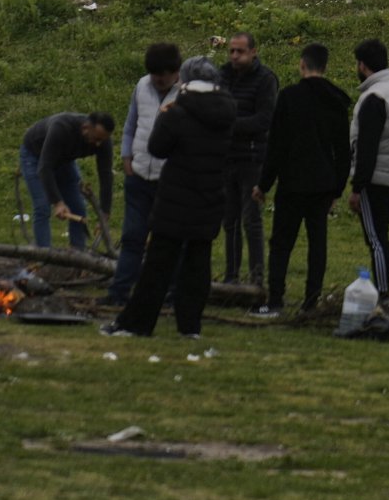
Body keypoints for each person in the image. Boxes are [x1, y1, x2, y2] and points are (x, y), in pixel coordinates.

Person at [104, 57, 236, 338]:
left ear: (185, 79)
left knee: (158, 264)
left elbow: (157, 148)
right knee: (198, 263)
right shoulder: (226, 112)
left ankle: (137, 323)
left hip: (176, 197)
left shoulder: (177, 112)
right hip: (210, 196)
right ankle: (190, 326)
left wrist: (163, 117)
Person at [250, 43, 350, 318]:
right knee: (317, 243)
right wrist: (338, 188)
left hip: (292, 182)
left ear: (302, 64)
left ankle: (276, 300)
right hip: (323, 184)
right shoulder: (337, 99)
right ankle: (311, 300)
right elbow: (343, 151)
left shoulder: (289, 97)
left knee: (281, 243)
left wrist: (264, 184)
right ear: (325, 66)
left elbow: (277, 145)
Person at [105, 43, 182, 306]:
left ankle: (170, 294)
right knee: (132, 237)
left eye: (163, 76)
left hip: (169, 180)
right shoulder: (141, 86)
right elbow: (130, 125)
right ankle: (119, 292)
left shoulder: (186, 93)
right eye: (154, 75)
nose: (157, 80)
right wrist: (126, 158)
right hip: (138, 176)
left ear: (176, 72)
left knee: (169, 240)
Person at [348, 38, 389, 331]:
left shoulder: (373, 99)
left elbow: (367, 148)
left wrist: (357, 187)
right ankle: (383, 290)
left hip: (375, 179)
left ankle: (383, 295)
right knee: (382, 235)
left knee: (375, 239)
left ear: (363, 66)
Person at [219, 32, 278, 288]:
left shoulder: (265, 80)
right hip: (227, 157)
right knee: (229, 220)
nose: (235, 56)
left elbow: (265, 119)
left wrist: (229, 124)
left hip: (252, 158)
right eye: (232, 51)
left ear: (253, 52)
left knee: (251, 219)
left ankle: (256, 277)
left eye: (240, 51)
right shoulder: (223, 75)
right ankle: (231, 275)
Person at [19, 111, 115, 251]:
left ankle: (78, 254)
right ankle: (44, 254)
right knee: (42, 207)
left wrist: (104, 212)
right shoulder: (61, 128)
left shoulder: (103, 142)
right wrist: (58, 202)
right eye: (96, 139)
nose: (98, 144)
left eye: (102, 140)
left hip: (64, 160)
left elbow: (105, 175)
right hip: (34, 157)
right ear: (85, 128)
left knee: (78, 206)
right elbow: (45, 168)